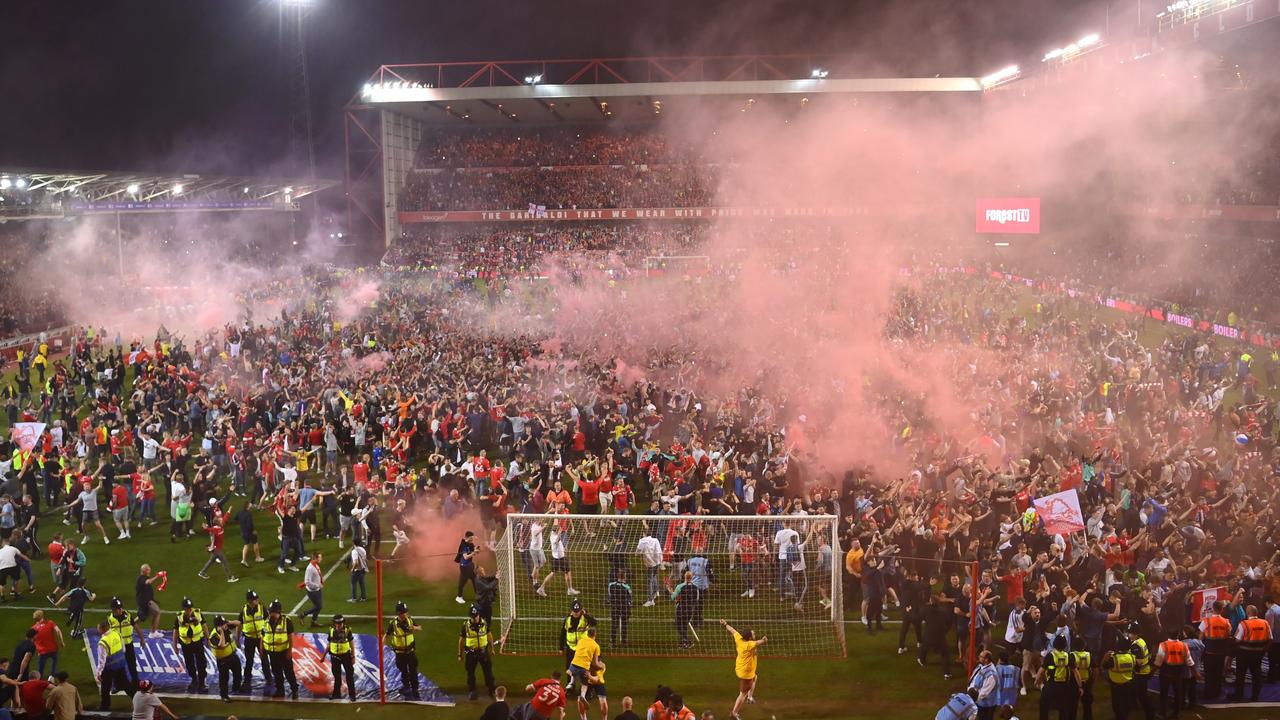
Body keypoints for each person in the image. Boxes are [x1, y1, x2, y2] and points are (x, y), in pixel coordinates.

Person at [721, 619, 767, 720]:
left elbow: (732, 630)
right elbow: (759, 642)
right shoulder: (749, 644)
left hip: (741, 668)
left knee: (755, 678)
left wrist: (725, 624)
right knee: (742, 694)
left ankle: (750, 698)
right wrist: (764, 640)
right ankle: (734, 713)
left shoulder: (739, 639)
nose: (755, 634)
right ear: (750, 637)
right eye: (753, 634)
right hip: (746, 673)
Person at [1229, 603, 1272, 702]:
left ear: (1247, 613)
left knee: (1240, 675)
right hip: (1258, 653)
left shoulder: (1244, 624)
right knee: (1257, 675)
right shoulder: (1265, 623)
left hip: (1244, 653)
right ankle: (1255, 696)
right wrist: (1264, 650)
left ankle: (1238, 695)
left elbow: (1237, 640)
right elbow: (1270, 639)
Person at [1034, 635, 1079, 720]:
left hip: (1050, 686)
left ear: (1054, 644)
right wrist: (1079, 685)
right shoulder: (1068, 656)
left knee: (1044, 706)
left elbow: (1041, 671)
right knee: (1063, 709)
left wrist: (1037, 681)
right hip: (1064, 687)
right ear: (1065, 645)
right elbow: (1076, 673)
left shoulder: (1050, 656)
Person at [261, 599, 299, 699]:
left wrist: (289, 650)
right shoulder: (266, 622)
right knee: (277, 673)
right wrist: (262, 651)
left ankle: (294, 690)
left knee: (289, 672)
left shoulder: (287, 622)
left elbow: (291, 638)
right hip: (272, 653)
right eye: (270, 611)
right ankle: (280, 690)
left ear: (278, 612)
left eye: (272, 611)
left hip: (284, 652)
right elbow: (263, 637)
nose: (271, 613)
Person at [384, 600, 421, 699]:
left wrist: (413, 628)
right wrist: (382, 643)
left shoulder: (410, 620)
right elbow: (387, 634)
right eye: (403, 612)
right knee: (403, 670)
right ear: (399, 613)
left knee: (413, 670)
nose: (405, 614)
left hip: (410, 651)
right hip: (399, 652)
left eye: (405, 612)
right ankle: (406, 686)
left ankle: (415, 689)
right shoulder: (393, 623)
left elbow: (419, 628)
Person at [459, 604, 497, 701]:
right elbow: (461, 640)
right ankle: (472, 691)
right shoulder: (465, 626)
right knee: (470, 672)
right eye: (472, 616)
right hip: (470, 650)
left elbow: (489, 635)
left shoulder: (484, 623)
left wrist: (492, 648)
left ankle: (492, 689)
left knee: (488, 672)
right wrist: (460, 654)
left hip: (483, 650)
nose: (474, 618)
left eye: (476, 616)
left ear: (479, 615)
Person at [1198, 600, 1232, 700]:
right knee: (1218, 672)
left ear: (1212, 608)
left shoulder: (1206, 621)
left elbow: (1200, 637)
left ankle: (1208, 693)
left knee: (1209, 673)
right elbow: (1228, 635)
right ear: (1222, 609)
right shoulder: (1226, 622)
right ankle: (1217, 692)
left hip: (1208, 650)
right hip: (1221, 651)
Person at [172, 597, 207, 692]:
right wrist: (175, 646)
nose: (189, 610)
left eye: (190, 607)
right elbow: (175, 632)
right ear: (184, 609)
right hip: (186, 644)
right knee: (189, 663)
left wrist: (208, 639)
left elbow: (204, 626)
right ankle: (194, 680)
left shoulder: (198, 614)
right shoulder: (179, 617)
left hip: (198, 642)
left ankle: (202, 682)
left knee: (201, 662)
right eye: (187, 608)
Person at [94, 620, 131, 710]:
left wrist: (99, 672)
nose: (97, 629)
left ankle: (105, 706)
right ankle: (137, 699)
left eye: (98, 628)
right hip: (120, 664)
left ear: (102, 629)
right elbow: (123, 648)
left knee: (105, 688)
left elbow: (102, 660)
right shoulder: (116, 633)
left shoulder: (103, 642)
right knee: (126, 685)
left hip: (109, 668)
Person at [1154, 628, 1190, 718]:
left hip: (1165, 674)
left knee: (1164, 693)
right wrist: (1196, 672)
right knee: (1178, 694)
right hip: (1178, 674)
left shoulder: (1163, 645)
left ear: (1168, 635)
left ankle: (1162, 712)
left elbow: (1158, 662)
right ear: (1178, 635)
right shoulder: (1183, 645)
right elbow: (1189, 661)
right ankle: (1176, 714)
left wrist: (1151, 672)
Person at [568, 625, 601, 718]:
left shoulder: (581, 641)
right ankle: (583, 695)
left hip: (573, 665)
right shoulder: (596, 646)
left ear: (587, 633)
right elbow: (594, 663)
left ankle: (571, 683)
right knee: (584, 684)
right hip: (584, 668)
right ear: (595, 634)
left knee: (572, 673)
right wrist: (601, 667)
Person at [106, 597, 141, 684]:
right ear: (113, 609)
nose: (120, 610)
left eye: (121, 607)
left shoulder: (128, 616)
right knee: (117, 666)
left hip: (128, 644)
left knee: (132, 664)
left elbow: (136, 626)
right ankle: (118, 684)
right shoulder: (110, 619)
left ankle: (135, 681)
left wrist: (142, 639)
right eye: (118, 608)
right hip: (117, 646)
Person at [236, 589, 266, 692]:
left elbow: (268, 620)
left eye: (256, 598)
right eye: (254, 599)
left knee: (264, 658)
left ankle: (269, 677)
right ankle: (247, 681)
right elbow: (239, 624)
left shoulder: (262, 608)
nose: (256, 600)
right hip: (249, 639)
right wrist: (237, 638)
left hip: (261, 638)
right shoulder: (244, 610)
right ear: (249, 601)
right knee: (249, 660)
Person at [561, 600, 595, 686]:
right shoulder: (567, 620)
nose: (576, 613)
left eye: (578, 611)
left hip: (583, 649)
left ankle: (586, 689)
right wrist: (561, 647)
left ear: (581, 610)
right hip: (571, 648)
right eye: (574, 611)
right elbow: (563, 633)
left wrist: (585, 614)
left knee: (585, 669)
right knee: (569, 669)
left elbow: (594, 623)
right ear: (571, 610)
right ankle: (570, 686)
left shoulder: (585, 619)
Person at [208, 616, 242, 702]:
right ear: (218, 626)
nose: (225, 626)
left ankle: (236, 688)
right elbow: (222, 646)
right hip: (222, 660)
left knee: (238, 672)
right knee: (224, 678)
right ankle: (224, 695)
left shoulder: (226, 627)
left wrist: (228, 622)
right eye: (222, 624)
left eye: (224, 623)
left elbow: (239, 623)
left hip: (232, 656)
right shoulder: (213, 636)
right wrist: (222, 632)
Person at [326, 614, 357, 701]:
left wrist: (353, 656)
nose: (339, 625)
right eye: (337, 623)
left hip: (346, 656)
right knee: (337, 676)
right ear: (334, 624)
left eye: (341, 623)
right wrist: (324, 655)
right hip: (334, 656)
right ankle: (336, 694)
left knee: (349, 676)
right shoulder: (331, 630)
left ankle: (352, 695)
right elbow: (329, 644)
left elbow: (351, 643)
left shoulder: (348, 630)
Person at [1102, 646, 1135, 720]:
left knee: (1117, 705)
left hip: (1116, 686)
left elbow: (1103, 666)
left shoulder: (1113, 659)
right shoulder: (1132, 657)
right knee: (1126, 703)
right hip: (1128, 684)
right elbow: (1136, 668)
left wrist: (1105, 656)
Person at [967, 650, 998, 720]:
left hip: (986, 705)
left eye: (981, 656)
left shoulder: (991, 675)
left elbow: (984, 692)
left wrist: (972, 699)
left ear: (986, 660)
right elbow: (973, 678)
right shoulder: (981, 666)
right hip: (978, 700)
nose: (978, 657)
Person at [30, 610, 62, 677]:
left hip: (42, 651)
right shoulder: (50, 623)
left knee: (40, 668)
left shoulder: (33, 628)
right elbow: (58, 631)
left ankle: (39, 678)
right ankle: (52, 675)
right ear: (42, 616)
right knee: (54, 662)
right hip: (53, 648)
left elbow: (32, 641)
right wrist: (62, 642)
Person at [135, 564, 163, 638]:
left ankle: (129, 624)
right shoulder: (141, 578)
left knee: (143, 617)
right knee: (157, 613)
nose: (150, 571)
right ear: (144, 571)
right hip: (145, 602)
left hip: (146, 601)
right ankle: (153, 633)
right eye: (148, 570)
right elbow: (149, 582)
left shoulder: (143, 578)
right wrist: (158, 576)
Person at [607, 570, 632, 648]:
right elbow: (630, 598)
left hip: (614, 607)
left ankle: (612, 642)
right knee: (624, 624)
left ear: (617, 576)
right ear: (624, 577)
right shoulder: (627, 586)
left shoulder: (611, 585)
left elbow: (609, 595)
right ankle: (623, 642)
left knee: (614, 625)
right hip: (624, 608)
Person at [1069, 638, 1093, 720]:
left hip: (1074, 683)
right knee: (1087, 705)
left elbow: (1073, 670)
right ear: (1084, 645)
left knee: (1072, 704)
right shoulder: (1089, 655)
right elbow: (1096, 669)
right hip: (1086, 681)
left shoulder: (1071, 655)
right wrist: (1093, 680)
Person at [302, 551, 324, 627]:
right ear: (316, 558)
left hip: (317, 589)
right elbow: (307, 582)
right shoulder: (310, 568)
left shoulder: (315, 565)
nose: (321, 559)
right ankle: (303, 615)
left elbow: (318, 574)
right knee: (318, 606)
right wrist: (317, 585)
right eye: (320, 557)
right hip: (312, 591)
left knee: (318, 607)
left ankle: (313, 621)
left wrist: (321, 580)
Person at [455, 530, 478, 603]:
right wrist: (473, 553)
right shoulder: (463, 545)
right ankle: (459, 597)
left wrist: (477, 549)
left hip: (470, 565)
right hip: (464, 566)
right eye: (471, 538)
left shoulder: (470, 543)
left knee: (475, 580)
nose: (472, 539)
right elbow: (465, 557)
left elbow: (474, 548)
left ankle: (479, 595)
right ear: (468, 537)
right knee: (463, 582)